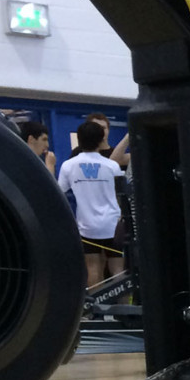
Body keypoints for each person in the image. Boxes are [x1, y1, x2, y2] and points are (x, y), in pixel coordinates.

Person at [58, 120, 125, 287]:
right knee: (118, 270)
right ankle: (125, 312)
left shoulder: (68, 166)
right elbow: (121, 194)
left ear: (79, 140)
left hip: (87, 226)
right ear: (101, 140)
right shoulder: (112, 166)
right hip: (113, 224)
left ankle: (97, 312)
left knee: (92, 267)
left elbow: (60, 192)